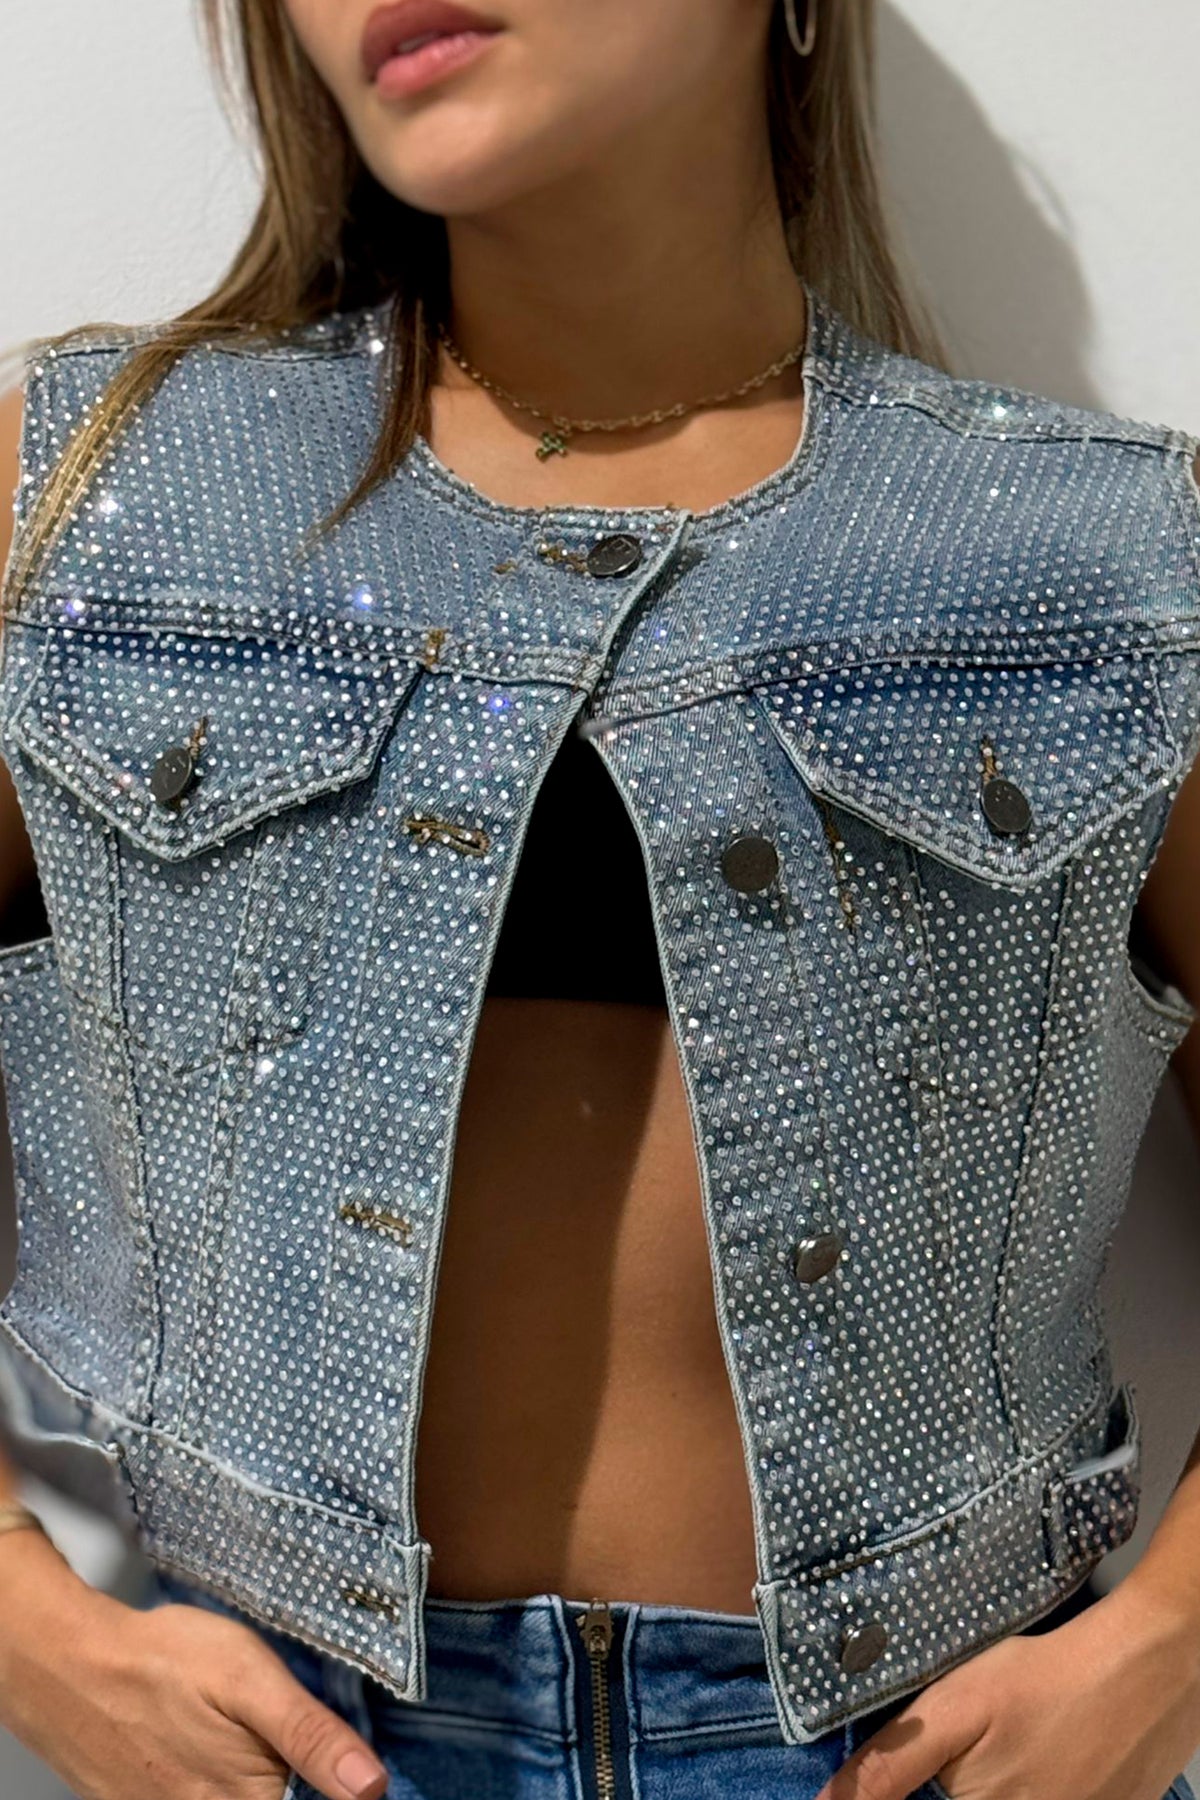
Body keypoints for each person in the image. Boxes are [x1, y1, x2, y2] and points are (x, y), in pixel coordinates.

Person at [0, 2, 1199, 1798]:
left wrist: (1168, 1648)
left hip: (924, 1741)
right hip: (280, 1737)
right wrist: (23, 1625)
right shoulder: (98, 495)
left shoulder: (1107, 561)